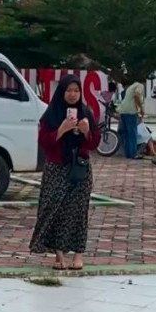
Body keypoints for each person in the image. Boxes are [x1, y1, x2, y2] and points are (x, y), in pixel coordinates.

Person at [30, 75, 100, 270]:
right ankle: (59, 255)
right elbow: (43, 141)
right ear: (61, 92)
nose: (72, 94)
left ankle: (78, 255)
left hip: (80, 167)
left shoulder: (86, 113)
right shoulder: (51, 114)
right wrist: (60, 130)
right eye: (68, 90)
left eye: (76, 91)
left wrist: (86, 132)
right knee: (55, 209)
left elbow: (94, 143)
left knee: (78, 211)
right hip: (56, 167)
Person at [118, 78, 145, 159]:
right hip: (130, 111)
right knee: (132, 133)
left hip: (123, 110)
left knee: (125, 133)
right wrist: (141, 109)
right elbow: (136, 95)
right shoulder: (140, 85)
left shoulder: (131, 86)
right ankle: (133, 154)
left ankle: (128, 154)